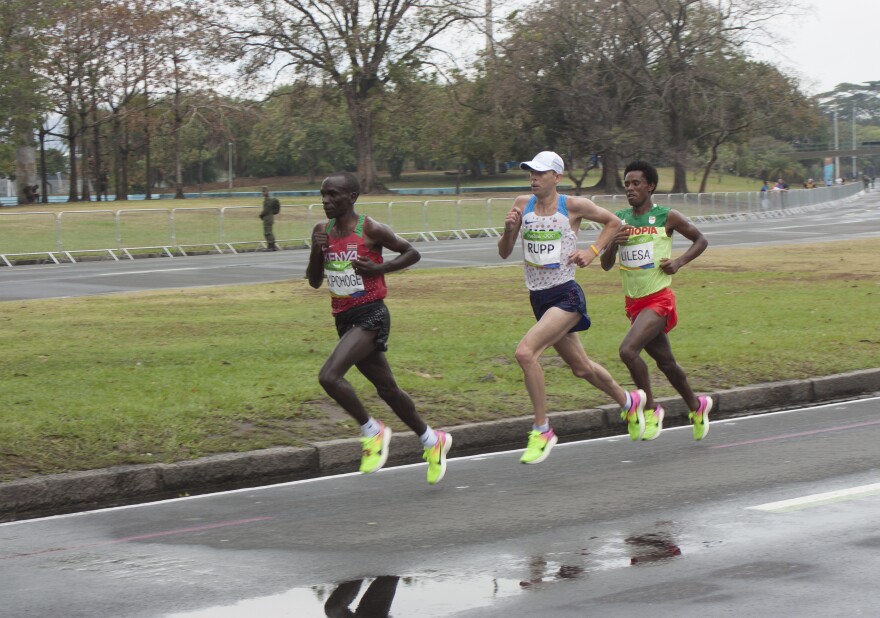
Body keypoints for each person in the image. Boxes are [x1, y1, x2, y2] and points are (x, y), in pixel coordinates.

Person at [498, 151, 647, 464]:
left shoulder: (572, 206)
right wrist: (510, 228)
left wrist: (592, 251)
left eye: (540, 173)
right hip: (538, 298)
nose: (533, 178)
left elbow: (613, 221)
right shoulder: (521, 204)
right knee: (581, 368)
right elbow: (503, 252)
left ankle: (542, 430)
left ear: (557, 177)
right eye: (530, 173)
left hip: (566, 296)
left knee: (526, 353)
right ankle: (628, 401)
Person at [306, 171, 452, 484]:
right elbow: (315, 280)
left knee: (329, 377)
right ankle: (431, 439)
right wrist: (317, 249)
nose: (326, 200)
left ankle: (372, 431)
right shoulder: (322, 230)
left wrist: (380, 267)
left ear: (351, 198)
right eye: (323, 194)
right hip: (343, 318)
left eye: (333, 194)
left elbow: (412, 251)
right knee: (387, 389)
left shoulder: (370, 228)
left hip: (371, 314)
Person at [600, 160, 713, 442]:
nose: (630, 188)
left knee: (628, 351)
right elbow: (604, 264)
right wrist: (614, 242)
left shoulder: (667, 216)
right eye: (627, 184)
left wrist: (679, 262)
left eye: (636, 183)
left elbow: (701, 240)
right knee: (666, 363)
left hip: (659, 299)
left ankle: (650, 408)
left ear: (650, 186)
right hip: (634, 303)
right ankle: (697, 406)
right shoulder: (619, 219)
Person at [260, 186, 281, 251]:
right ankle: (271, 245)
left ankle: (271, 246)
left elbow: (266, 210)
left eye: (264, 191)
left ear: (268, 192)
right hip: (267, 217)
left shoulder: (270, 200)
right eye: (262, 192)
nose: (263, 193)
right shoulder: (266, 200)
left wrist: (261, 215)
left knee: (268, 232)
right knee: (268, 232)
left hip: (268, 217)